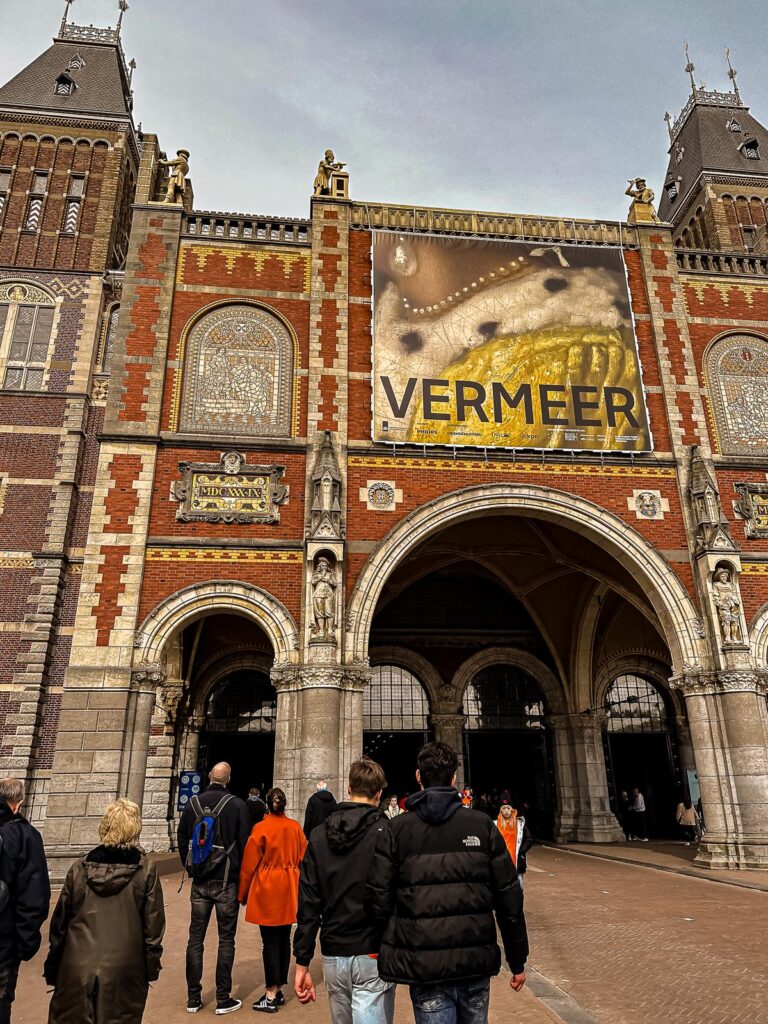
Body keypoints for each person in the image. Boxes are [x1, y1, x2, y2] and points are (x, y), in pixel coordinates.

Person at [367, 742, 528, 1024]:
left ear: (418, 776)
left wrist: (383, 950)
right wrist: (517, 959)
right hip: (475, 962)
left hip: (425, 966)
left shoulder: (396, 830)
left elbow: (379, 898)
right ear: (454, 778)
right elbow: (509, 899)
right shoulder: (482, 826)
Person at [44, 798, 164, 1024]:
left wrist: (54, 965)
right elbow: (153, 929)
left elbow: (59, 925)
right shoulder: (145, 871)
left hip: (76, 966)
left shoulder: (79, 867)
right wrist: (150, 968)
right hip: (125, 968)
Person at [294, 758, 395, 1024]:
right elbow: (390, 894)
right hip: (372, 949)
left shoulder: (317, 835)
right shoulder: (386, 832)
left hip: (333, 952)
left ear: (348, 787)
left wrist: (302, 961)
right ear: (379, 793)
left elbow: (308, 903)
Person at [178, 762, 251, 1015]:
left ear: (209, 776)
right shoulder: (238, 805)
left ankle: (193, 998)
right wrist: (240, 879)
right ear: (229, 779)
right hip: (226, 883)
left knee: (195, 938)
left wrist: (191, 869)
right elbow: (244, 845)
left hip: (199, 883)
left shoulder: (192, 804)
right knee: (226, 940)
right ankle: (222, 998)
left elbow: (182, 838)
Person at [239, 788, 307, 1013]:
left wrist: (243, 894)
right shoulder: (295, 827)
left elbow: (249, 866)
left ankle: (270, 993)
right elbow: (304, 858)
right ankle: (278, 989)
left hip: (267, 887)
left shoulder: (260, 828)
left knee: (268, 942)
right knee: (285, 938)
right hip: (289, 886)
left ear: (267, 805)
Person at [0, 778, 50, 1024]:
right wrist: (24, 943)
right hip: (4, 939)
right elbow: (35, 895)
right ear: (17, 804)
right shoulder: (24, 834)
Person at [495, 801, 533, 889]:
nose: (506, 811)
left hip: (517, 860)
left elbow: (529, 839)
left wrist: (521, 850)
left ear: (512, 810)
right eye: (504, 808)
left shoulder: (520, 824)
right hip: (501, 860)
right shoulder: (495, 824)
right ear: (501, 811)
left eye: (508, 808)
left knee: (518, 886)